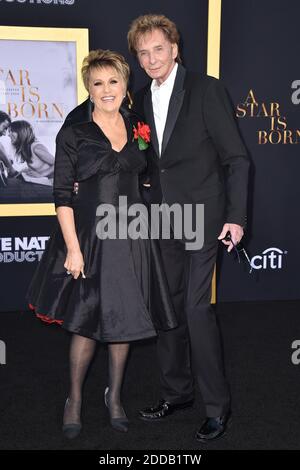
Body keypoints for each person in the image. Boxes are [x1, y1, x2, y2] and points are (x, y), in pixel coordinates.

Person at [27, 49, 177, 438]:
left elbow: (144, 175)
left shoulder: (139, 127)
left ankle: (114, 398)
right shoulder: (73, 133)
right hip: (90, 238)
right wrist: (73, 249)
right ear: (88, 90)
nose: (107, 89)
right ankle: (74, 399)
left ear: (126, 86)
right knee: (86, 322)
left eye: (114, 81)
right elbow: (62, 195)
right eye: (98, 83)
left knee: (124, 322)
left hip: (131, 236)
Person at [127, 14, 250, 442]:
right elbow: (149, 160)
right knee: (168, 308)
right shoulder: (139, 99)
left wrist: (235, 217)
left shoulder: (206, 89)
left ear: (175, 49)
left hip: (204, 216)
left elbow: (236, 159)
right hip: (162, 218)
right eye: (142, 53)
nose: (150, 58)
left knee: (197, 309)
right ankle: (176, 392)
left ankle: (217, 407)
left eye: (158, 49)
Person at [8, 120, 54, 185]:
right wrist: (28, 169)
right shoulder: (26, 148)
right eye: (9, 131)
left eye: (12, 131)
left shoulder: (36, 148)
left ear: (21, 132)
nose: (8, 134)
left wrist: (41, 174)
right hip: (44, 182)